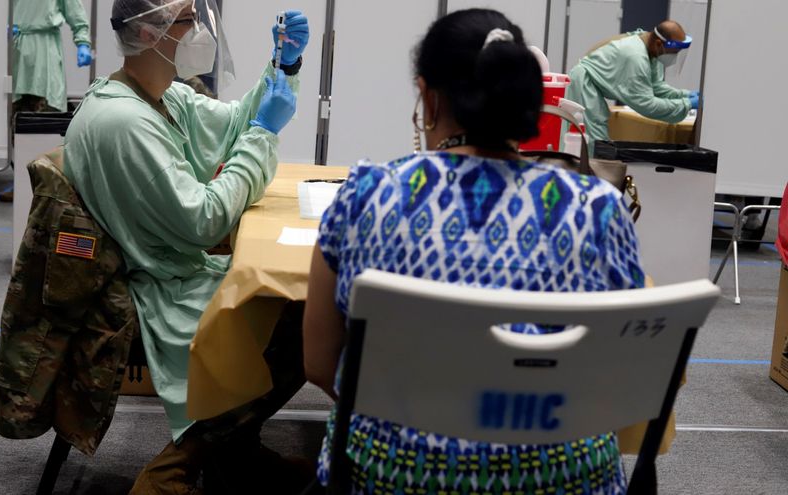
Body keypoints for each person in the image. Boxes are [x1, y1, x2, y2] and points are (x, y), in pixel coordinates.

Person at [303, 9, 645, 494]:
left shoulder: (365, 196)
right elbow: (625, 374)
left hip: (391, 475)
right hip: (563, 479)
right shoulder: (598, 210)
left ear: (428, 98)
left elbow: (319, 363)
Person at [62, 0, 310, 492]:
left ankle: (235, 455)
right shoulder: (123, 122)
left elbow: (234, 125)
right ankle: (177, 466)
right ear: (149, 34)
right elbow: (204, 221)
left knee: (296, 299)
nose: (200, 30)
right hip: (154, 293)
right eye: (188, 20)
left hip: (176, 270)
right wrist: (263, 133)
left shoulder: (160, 96)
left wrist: (283, 66)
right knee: (306, 315)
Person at [565, 20, 698, 149]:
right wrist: (686, 104)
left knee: (594, 141)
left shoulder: (651, 48)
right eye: (673, 52)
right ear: (659, 43)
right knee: (591, 142)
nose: (674, 57)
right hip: (585, 83)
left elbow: (656, 87)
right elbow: (646, 104)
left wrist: (685, 95)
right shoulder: (636, 57)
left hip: (592, 85)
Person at [12, 0, 93, 113]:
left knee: (47, 111)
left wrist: (82, 43)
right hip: (17, 52)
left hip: (45, 52)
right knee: (11, 112)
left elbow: (76, 12)